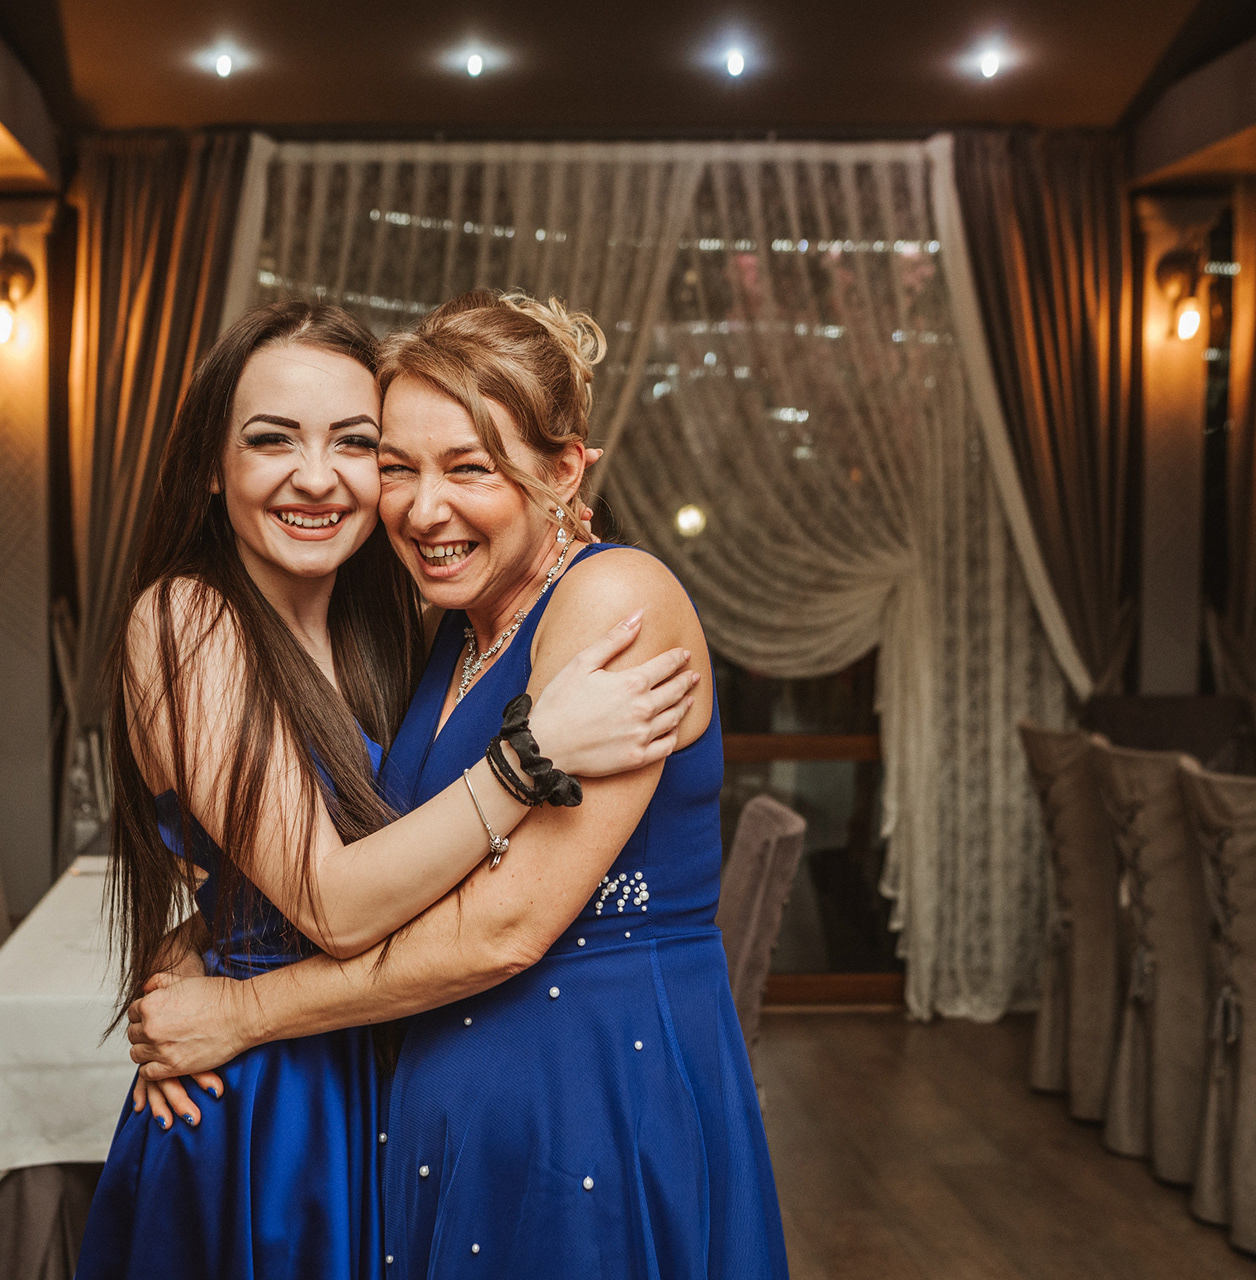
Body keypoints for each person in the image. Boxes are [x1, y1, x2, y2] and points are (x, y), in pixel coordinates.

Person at [126, 291, 789, 1278]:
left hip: (592, 1101)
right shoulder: (449, 632)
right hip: (425, 1106)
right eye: (399, 465)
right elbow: (366, 860)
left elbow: (501, 926)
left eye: (469, 466)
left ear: (564, 471)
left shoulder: (615, 599)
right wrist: (200, 942)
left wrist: (242, 1008)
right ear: (211, 466)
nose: (421, 506)